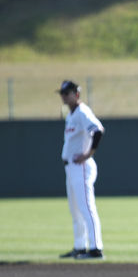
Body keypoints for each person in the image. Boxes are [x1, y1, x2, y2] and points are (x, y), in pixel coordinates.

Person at [57, 80, 106, 260]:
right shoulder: (71, 114)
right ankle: (80, 246)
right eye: (62, 93)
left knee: (86, 208)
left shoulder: (83, 112)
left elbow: (98, 130)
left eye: (67, 93)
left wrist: (88, 154)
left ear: (76, 94)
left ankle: (95, 249)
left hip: (81, 167)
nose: (63, 96)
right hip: (71, 168)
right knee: (75, 210)